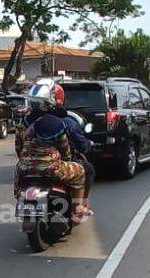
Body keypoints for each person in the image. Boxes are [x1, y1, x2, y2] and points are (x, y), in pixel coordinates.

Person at [16, 81, 90, 223]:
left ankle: (19, 198)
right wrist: (67, 160)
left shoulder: (24, 123)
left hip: (24, 168)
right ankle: (78, 207)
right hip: (51, 168)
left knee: (18, 179)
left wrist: (25, 159)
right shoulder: (58, 123)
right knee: (81, 171)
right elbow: (65, 149)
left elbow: (19, 147)